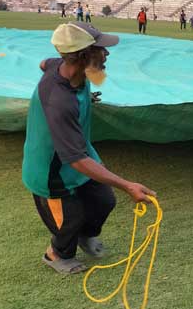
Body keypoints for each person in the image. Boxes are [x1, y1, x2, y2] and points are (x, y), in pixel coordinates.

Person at [22, 21, 156, 274]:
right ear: (83, 55)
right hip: (51, 171)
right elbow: (75, 160)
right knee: (71, 219)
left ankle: (85, 237)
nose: (106, 54)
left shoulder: (67, 68)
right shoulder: (60, 102)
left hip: (79, 152)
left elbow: (45, 63)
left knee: (104, 201)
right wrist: (129, 185)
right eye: (101, 49)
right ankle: (56, 255)